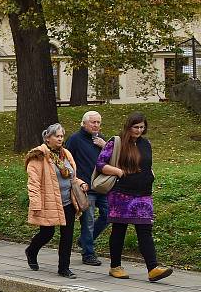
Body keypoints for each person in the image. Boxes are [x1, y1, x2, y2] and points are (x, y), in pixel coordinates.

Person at [96, 112, 172, 282]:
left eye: (142, 127)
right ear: (128, 126)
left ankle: (153, 268)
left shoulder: (146, 144)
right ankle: (115, 266)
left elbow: (147, 164)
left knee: (145, 230)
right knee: (119, 229)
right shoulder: (117, 142)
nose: (138, 130)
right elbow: (101, 164)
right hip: (121, 193)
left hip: (144, 194)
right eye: (135, 127)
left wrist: (151, 174)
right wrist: (118, 172)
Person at [24, 123, 88, 279]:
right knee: (47, 233)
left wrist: (81, 183)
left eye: (61, 136)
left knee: (67, 235)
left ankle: (64, 268)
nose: (60, 139)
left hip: (68, 201)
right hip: (49, 201)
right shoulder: (38, 156)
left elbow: (72, 176)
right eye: (56, 136)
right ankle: (31, 250)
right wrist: (36, 203)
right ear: (47, 138)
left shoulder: (65, 154)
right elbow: (33, 183)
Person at [65, 111, 110, 266]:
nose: (96, 125)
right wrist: (76, 182)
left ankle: (84, 241)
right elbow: (67, 161)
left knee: (109, 215)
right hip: (85, 188)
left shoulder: (102, 139)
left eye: (98, 122)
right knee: (88, 221)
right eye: (93, 122)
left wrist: (105, 147)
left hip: (102, 186)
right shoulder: (75, 139)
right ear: (83, 123)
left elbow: (112, 159)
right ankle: (88, 254)